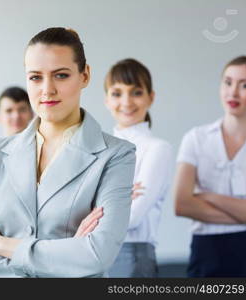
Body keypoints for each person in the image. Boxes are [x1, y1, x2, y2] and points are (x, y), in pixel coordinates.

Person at [0, 27, 136, 278]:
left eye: (60, 75)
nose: (47, 89)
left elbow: (96, 255)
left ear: (85, 76)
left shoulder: (115, 156)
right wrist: (65, 256)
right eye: (36, 77)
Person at [174, 56, 246, 277]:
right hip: (207, 251)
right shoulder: (196, 139)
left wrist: (207, 196)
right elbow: (182, 204)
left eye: (244, 85)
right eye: (228, 82)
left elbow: (193, 199)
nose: (233, 92)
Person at [104, 58, 173, 277]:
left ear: (150, 98)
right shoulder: (98, 149)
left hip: (131, 258)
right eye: (117, 93)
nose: (126, 102)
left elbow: (132, 218)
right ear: (107, 100)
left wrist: (96, 198)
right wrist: (120, 196)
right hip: (92, 256)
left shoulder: (157, 149)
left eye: (136, 92)